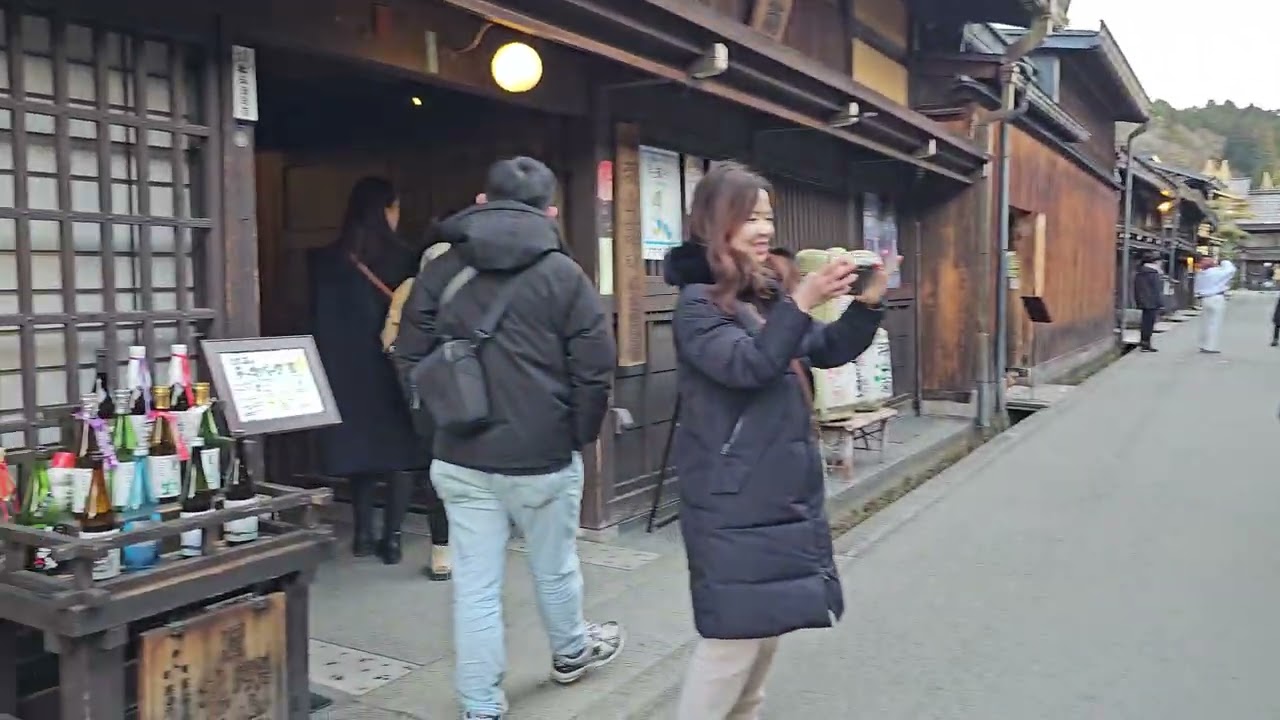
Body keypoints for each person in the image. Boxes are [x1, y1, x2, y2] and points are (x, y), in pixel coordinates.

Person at [393, 157, 620, 720]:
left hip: (462, 456)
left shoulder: (440, 270)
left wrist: (437, 427)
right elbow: (595, 371)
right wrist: (577, 437)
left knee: (475, 585)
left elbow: (409, 359)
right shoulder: (566, 275)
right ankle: (570, 653)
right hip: (544, 456)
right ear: (550, 212)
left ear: (481, 201)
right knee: (555, 564)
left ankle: (480, 705)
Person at [662, 161, 887, 720]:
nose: (764, 229)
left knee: (756, 659)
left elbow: (826, 348)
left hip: (772, 495)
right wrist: (802, 299)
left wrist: (867, 304)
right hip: (733, 501)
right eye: (750, 218)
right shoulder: (697, 304)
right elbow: (750, 366)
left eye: (768, 216)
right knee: (728, 651)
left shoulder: (759, 296)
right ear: (716, 224)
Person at [309, 177, 446, 566]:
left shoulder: (328, 260)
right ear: (387, 209)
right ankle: (393, 538)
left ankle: (363, 534)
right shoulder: (404, 259)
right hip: (391, 368)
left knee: (361, 449)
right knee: (399, 452)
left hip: (345, 369)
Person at [1194, 255, 1237, 354]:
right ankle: (1210, 346)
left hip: (1205, 299)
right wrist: (1224, 261)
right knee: (1214, 323)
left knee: (1205, 323)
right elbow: (1231, 270)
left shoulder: (1200, 274)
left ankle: (1202, 344)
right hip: (1216, 298)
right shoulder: (1217, 272)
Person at [1133, 251, 1165, 352]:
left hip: (1144, 300)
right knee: (1149, 324)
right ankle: (1145, 343)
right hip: (1151, 301)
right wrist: (1160, 303)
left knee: (1145, 323)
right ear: (1155, 262)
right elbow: (1156, 290)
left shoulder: (1141, 272)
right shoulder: (1152, 273)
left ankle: (1144, 342)